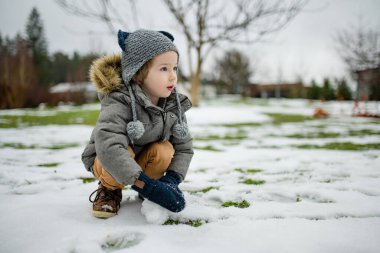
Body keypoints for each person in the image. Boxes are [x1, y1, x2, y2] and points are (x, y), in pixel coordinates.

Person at [81, 29, 194, 218]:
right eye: (164, 68)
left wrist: (171, 181)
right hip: (108, 158)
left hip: (144, 163)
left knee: (164, 150)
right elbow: (109, 146)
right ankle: (109, 190)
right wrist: (148, 186)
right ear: (137, 73)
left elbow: (184, 148)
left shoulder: (173, 104)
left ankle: (146, 189)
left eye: (174, 68)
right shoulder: (119, 100)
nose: (173, 76)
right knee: (121, 153)